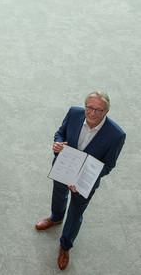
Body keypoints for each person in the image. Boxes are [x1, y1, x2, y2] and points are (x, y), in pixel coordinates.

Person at [35, 91, 125, 270]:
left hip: (85, 181)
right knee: (59, 195)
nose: (92, 113)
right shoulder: (74, 113)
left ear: (106, 111)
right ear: (85, 106)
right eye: (89, 108)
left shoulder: (116, 134)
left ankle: (65, 246)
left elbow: (108, 165)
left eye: (99, 110)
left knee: (76, 212)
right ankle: (56, 218)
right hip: (64, 168)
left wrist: (84, 178)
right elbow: (60, 134)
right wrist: (58, 144)